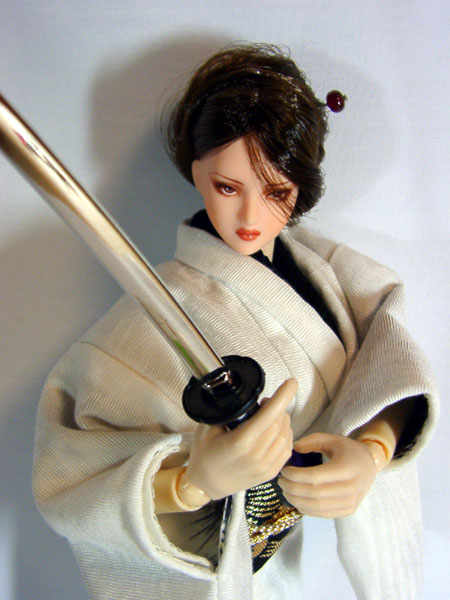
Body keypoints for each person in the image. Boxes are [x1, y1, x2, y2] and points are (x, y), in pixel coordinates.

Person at [33, 44, 437, 600]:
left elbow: (388, 352)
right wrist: (193, 482)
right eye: (228, 187)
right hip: (229, 564)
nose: (251, 216)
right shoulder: (149, 320)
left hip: (307, 551)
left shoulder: (327, 269)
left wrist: (373, 449)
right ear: (197, 173)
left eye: (276, 192)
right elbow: (70, 477)